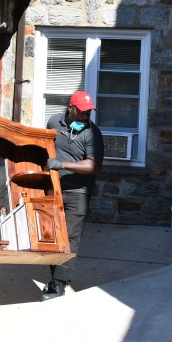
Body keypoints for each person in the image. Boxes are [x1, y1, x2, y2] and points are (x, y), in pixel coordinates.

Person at [42, 91, 105, 300]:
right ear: (71, 108)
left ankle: (58, 284)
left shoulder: (92, 133)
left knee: (69, 238)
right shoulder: (54, 122)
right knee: (51, 235)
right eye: (83, 111)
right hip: (53, 188)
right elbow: (43, 145)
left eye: (89, 111)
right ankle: (57, 276)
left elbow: (93, 165)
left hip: (78, 192)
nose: (87, 114)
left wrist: (62, 165)